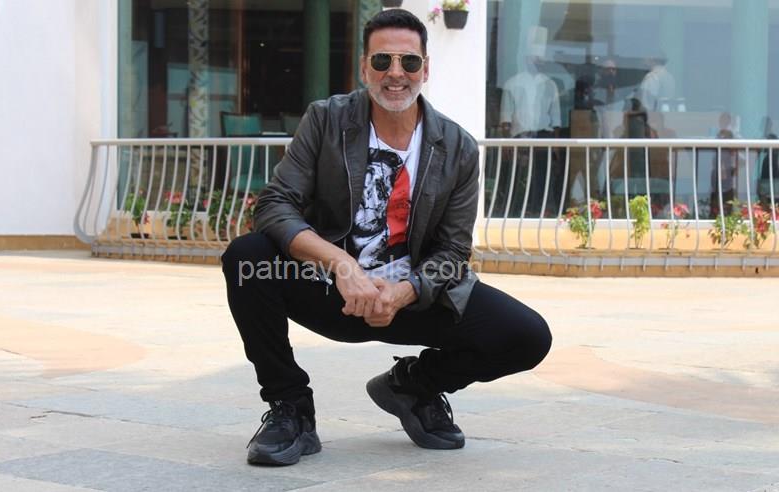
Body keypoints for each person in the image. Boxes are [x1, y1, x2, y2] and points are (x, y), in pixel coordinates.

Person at [221, 9, 552, 466]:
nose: (395, 73)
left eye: (408, 62)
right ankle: (290, 407)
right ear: (364, 67)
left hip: (413, 297)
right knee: (247, 258)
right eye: (382, 61)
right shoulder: (326, 120)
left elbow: (454, 250)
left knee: (528, 336)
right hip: (329, 288)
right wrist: (342, 265)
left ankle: (414, 385)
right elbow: (275, 204)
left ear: (425, 69)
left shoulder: (458, 147)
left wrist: (406, 290)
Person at [498, 55, 563, 217]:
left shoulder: (550, 84)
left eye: (539, 60)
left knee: (543, 175)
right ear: (526, 61)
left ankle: (540, 211)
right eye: (533, 59)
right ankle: (513, 212)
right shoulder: (513, 83)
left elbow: (555, 119)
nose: (536, 63)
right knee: (517, 176)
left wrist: (556, 145)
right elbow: (506, 119)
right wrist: (506, 142)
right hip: (520, 136)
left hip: (544, 136)